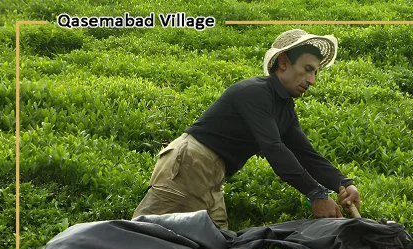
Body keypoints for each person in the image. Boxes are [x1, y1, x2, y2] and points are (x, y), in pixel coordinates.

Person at [133, 29, 361, 230]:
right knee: (153, 236)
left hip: (212, 174)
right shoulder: (255, 92)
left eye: (316, 73)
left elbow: (305, 154)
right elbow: (273, 148)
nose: (312, 80)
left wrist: (343, 183)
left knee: (213, 244)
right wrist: (316, 195)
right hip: (191, 164)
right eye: (308, 69)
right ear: (283, 63)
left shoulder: (284, 107)